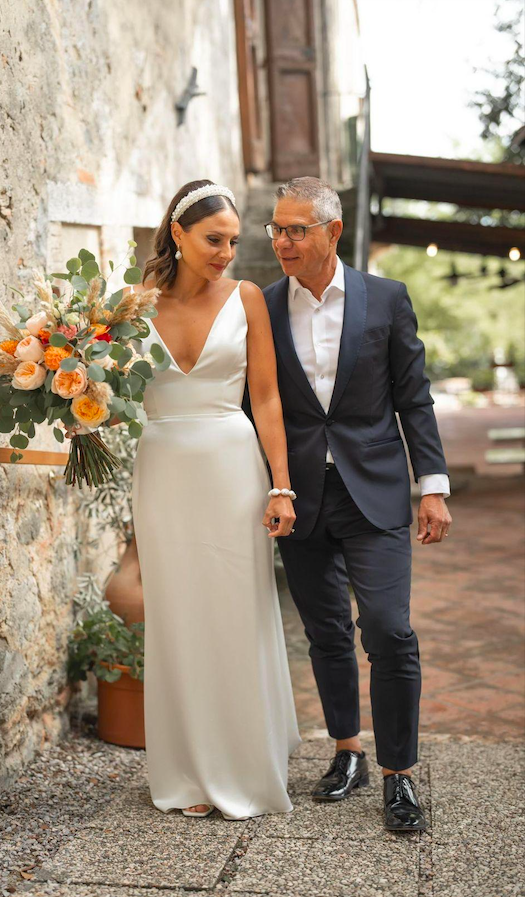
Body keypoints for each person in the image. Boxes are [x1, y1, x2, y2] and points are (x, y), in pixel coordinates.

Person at [68, 179, 301, 820]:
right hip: (164, 470)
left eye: (232, 240)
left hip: (233, 465)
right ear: (178, 234)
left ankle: (247, 761)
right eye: (213, 240)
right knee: (179, 617)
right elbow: (100, 388)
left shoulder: (248, 298)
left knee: (236, 609)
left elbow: (268, 399)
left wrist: (281, 484)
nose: (227, 251)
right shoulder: (131, 308)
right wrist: (71, 402)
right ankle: (189, 772)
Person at [242, 176, 452, 833]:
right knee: (326, 631)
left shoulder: (386, 299)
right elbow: (257, 401)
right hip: (299, 494)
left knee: (388, 628)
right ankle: (345, 750)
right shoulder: (264, 308)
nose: (281, 240)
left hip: (377, 489)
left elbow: (412, 397)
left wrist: (433, 483)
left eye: (295, 229)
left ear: (332, 231)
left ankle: (399, 774)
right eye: (275, 229)